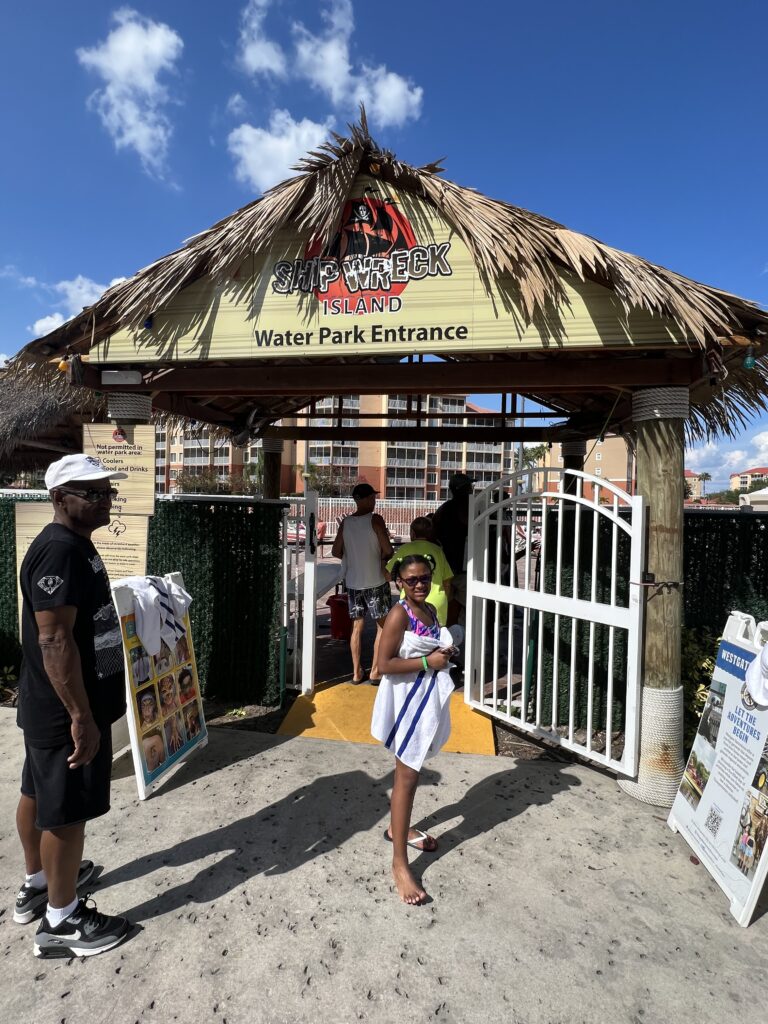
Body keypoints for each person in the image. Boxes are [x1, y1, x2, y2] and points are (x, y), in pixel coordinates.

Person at [14, 453, 131, 958]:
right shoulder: (60, 551)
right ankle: (61, 921)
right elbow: (55, 639)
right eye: (94, 493)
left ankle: (38, 882)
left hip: (55, 706)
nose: (105, 500)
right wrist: (82, 717)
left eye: (108, 492)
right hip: (66, 710)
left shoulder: (74, 545)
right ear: (59, 499)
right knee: (65, 813)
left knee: (38, 794)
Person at [371, 554, 460, 905]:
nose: (420, 584)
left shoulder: (431, 612)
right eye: (412, 580)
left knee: (411, 774)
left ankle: (398, 829)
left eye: (425, 578)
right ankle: (399, 865)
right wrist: (428, 660)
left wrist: (443, 652)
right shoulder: (399, 614)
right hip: (408, 704)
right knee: (406, 777)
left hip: (423, 701)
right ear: (399, 583)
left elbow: (431, 647)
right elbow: (382, 664)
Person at [332, 482, 394, 684]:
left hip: (353, 583)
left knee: (356, 627)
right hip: (375, 581)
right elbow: (388, 550)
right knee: (382, 626)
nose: (374, 501)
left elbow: (335, 551)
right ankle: (375, 671)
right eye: (373, 498)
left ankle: (356, 672)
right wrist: (381, 559)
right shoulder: (375, 520)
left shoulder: (346, 523)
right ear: (366, 499)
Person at [386, 517, 454, 626]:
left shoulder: (405, 549)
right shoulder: (438, 550)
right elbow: (447, 582)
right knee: (436, 637)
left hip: (412, 601)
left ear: (412, 533)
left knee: (413, 639)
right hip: (437, 602)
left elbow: (388, 575)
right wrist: (443, 598)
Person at [432, 473, 474, 626]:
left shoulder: (443, 509)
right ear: (463, 489)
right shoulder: (469, 508)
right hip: (464, 570)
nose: (472, 489)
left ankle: (450, 641)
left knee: (449, 610)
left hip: (447, 568)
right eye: (470, 486)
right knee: (472, 610)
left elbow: (433, 535)